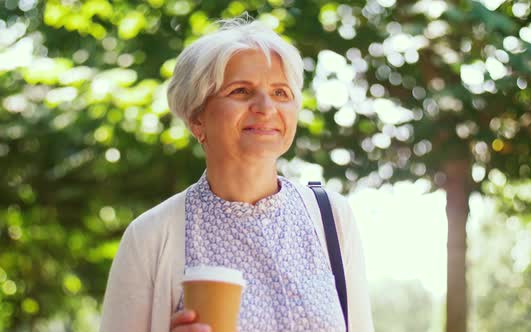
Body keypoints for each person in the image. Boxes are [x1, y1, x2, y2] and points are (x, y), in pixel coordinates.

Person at [99, 16, 374, 332]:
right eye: (242, 91)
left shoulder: (332, 218)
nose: (266, 107)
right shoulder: (150, 236)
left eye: (281, 92)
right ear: (197, 118)